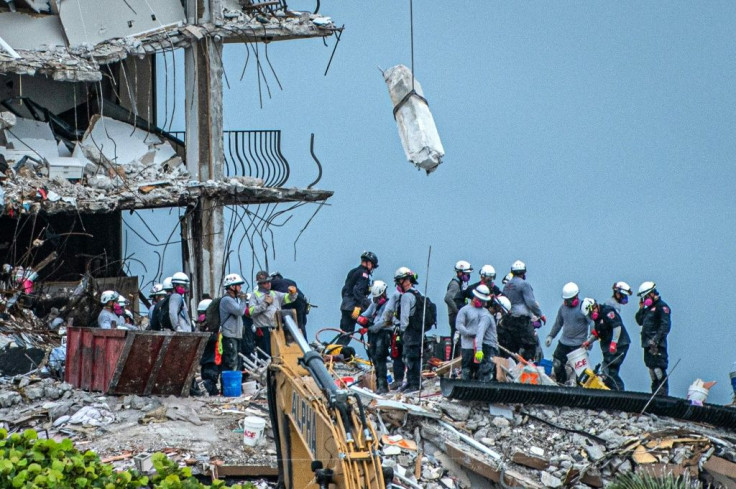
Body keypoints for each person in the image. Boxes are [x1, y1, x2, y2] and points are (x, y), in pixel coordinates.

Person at [580, 298, 630, 391]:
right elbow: (598, 333)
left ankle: (620, 393)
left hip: (619, 345)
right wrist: (588, 342)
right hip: (608, 348)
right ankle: (612, 391)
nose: (591, 316)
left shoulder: (607, 311)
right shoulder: (597, 318)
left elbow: (617, 326)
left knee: (611, 370)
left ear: (594, 307)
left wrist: (614, 343)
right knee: (605, 371)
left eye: (590, 313)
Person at [545, 282, 589, 384]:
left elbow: (592, 323)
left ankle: (577, 390)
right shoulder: (563, 308)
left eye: (569, 300)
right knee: (557, 364)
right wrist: (551, 336)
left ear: (576, 297)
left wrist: (589, 340)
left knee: (579, 371)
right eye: (565, 300)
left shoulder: (584, 308)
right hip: (564, 342)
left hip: (579, 344)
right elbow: (558, 323)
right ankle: (561, 384)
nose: (567, 302)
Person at [501, 260, 545, 361]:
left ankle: (513, 366)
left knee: (512, 347)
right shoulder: (524, 284)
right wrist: (540, 315)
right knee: (531, 344)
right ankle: (525, 365)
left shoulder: (506, 286)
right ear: (523, 273)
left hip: (508, 320)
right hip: (521, 321)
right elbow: (531, 302)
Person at [248, 271, 298, 356]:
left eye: (269, 282)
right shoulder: (254, 295)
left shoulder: (275, 294)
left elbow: (288, 298)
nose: (268, 284)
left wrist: (292, 293)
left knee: (277, 353)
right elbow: (251, 312)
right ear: (260, 284)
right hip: (263, 330)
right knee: (265, 354)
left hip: (276, 329)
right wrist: (265, 304)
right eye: (265, 283)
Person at [635, 281, 671, 396]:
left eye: (645, 297)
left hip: (657, 344)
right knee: (651, 368)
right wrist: (641, 308)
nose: (645, 299)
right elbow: (639, 321)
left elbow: (665, 325)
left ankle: (662, 393)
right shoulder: (647, 309)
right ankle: (655, 392)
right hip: (647, 344)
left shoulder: (662, 307)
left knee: (658, 368)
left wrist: (656, 339)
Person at [356, 280, 392, 394]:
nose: (376, 299)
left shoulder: (388, 304)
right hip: (373, 335)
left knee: (380, 358)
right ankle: (379, 385)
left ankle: (383, 386)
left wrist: (371, 326)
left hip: (383, 334)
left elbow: (384, 322)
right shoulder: (374, 304)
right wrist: (363, 321)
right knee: (374, 358)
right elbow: (364, 315)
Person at [337, 251, 378, 346]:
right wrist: (366, 305)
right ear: (369, 263)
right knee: (373, 324)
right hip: (354, 307)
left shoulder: (353, 271)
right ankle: (373, 349)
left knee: (345, 333)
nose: (372, 268)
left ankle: (334, 352)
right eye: (373, 266)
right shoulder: (364, 274)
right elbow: (357, 291)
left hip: (345, 307)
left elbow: (345, 290)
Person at [455, 284, 494, 381]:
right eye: (480, 300)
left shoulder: (485, 312)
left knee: (481, 370)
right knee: (467, 369)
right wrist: (468, 333)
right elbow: (459, 325)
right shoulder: (465, 310)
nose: (482, 303)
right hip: (467, 346)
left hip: (481, 347)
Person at [394, 267, 422, 393]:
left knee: (409, 358)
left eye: (399, 281)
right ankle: (413, 382)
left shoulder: (406, 297)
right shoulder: (417, 293)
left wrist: (400, 330)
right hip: (418, 331)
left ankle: (414, 384)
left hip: (410, 332)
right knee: (415, 357)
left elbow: (404, 319)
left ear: (405, 280)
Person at [220, 273, 248, 372]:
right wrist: (243, 300)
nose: (240, 288)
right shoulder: (227, 300)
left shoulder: (233, 300)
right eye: (239, 285)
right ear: (232, 286)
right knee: (231, 362)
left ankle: (234, 385)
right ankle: (228, 386)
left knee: (237, 362)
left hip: (235, 335)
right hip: (230, 336)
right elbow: (240, 311)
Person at [445, 260, 473, 356]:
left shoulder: (461, 284)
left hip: (456, 315)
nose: (468, 276)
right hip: (454, 316)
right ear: (460, 273)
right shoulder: (455, 284)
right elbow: (448, 298)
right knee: (456, 340)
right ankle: (453, 360)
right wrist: (458, 311)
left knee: (458, 340)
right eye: (466, 274)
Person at [270, 272, 309, 338]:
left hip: (287, 299)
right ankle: (305, 344)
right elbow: (303, 298)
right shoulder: (290, 281)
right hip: (300, 300)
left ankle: (288, 340)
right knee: (301, 325)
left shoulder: (272, 283)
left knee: (286, 322)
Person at [196, 298, 220, 396]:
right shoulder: (211, 322)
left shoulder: (200, 322)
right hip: (212, 356)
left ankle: (209, 389)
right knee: (210, 377)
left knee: (206, 375)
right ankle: (208, 389)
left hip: (204, 356)